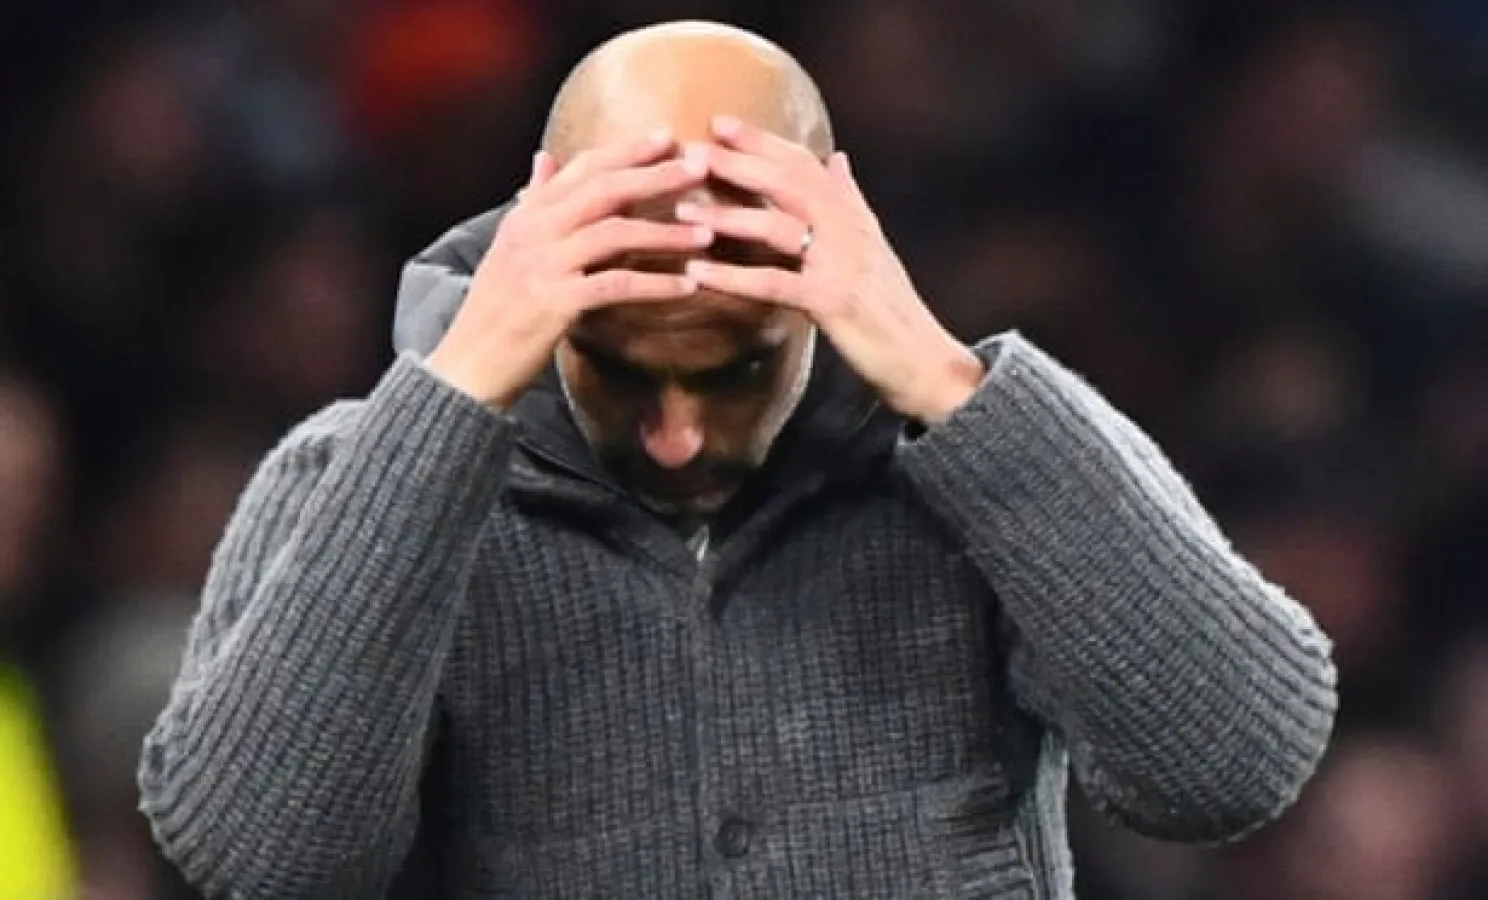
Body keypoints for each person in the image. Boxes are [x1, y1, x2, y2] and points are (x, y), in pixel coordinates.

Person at [138, 20, 1338, 899]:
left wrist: (946, 384)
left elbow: (1233, 761)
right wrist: (450, 400)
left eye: (730, 371)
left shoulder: (984, 453)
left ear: (826, 277)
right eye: (622, 367)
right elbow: (263, 860)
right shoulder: (360, 471)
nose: (676, 435)